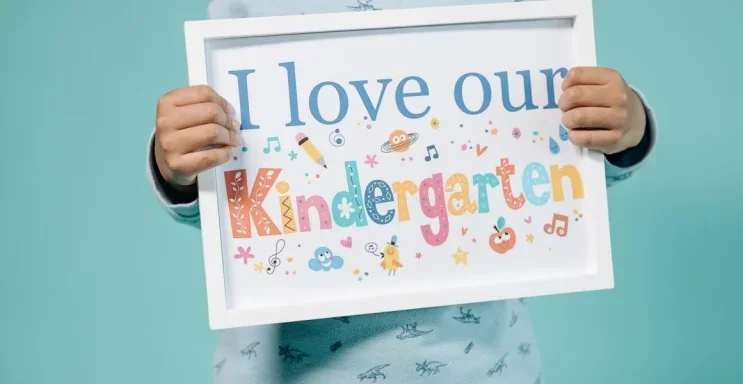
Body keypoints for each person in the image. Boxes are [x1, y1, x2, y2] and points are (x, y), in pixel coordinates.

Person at [147, 1, 657, 382]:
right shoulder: (254, 6)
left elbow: (550, 176)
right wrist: (181, 165)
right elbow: (231, 208)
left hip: (483, 367)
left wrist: (622, 128)